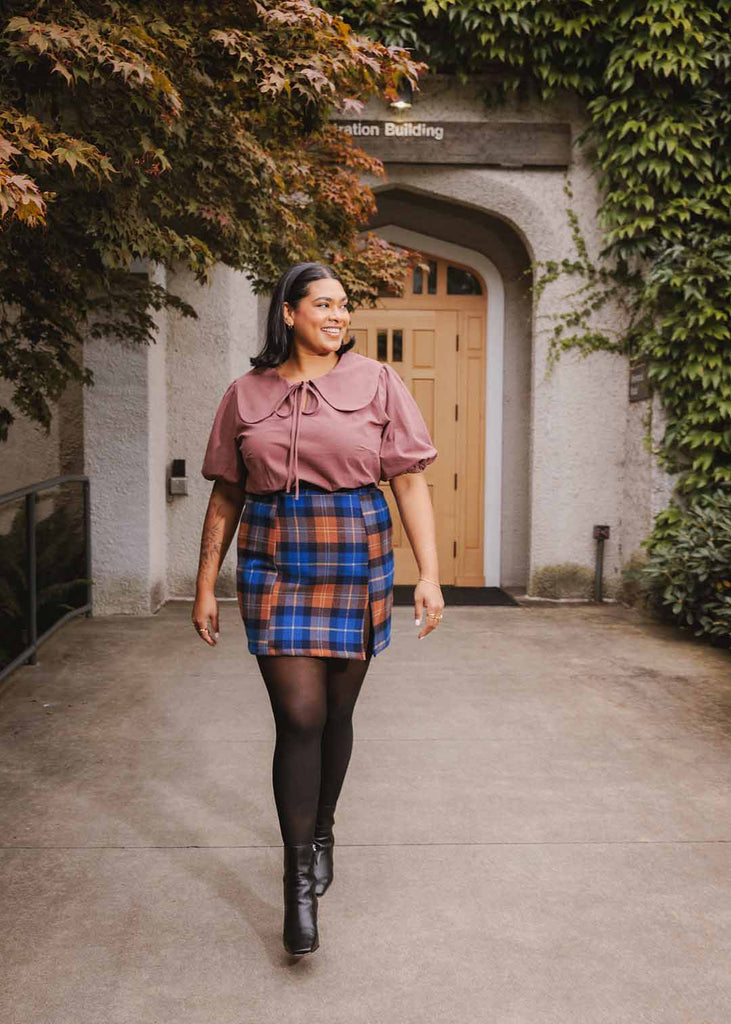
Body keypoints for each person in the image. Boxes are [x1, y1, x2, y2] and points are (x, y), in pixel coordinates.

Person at [192, 261, 444, 956]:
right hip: (273, 554)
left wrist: (430, 574)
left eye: (343, 306)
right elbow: (225, 494)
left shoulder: (378, 383)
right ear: (288, 313)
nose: (337, 316)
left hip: (354, 552)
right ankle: (297, 881)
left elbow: (409, 483)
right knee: (298, 715)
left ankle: (323, 824)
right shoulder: (245, 394)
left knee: (335, 713)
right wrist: (206, 582)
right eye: (323, 305)